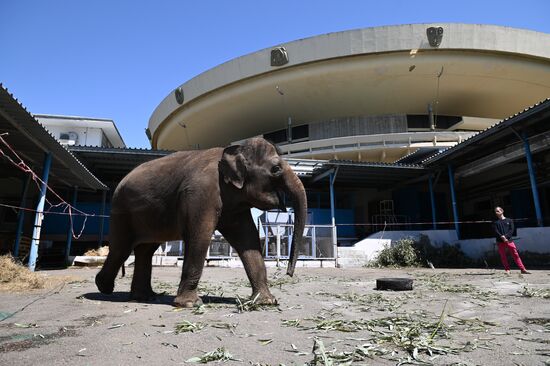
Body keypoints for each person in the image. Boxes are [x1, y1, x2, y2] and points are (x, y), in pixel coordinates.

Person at [493, 206, 530, 274]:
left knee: (515, 255)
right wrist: (502, 237)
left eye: (498, 211)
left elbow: (511, 230)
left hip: (509, 240)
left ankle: (522, 269)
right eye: (495, 211)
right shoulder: (496, 223)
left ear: (502, 211)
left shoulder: (509, 220)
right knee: (503, 256)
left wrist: (505, 237)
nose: (497, 212)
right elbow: (496, 231)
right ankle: (507, 270)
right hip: (500, 241)